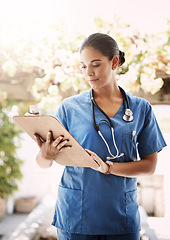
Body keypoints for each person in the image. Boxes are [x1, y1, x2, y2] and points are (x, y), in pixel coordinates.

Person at [35, 33, 167, 240]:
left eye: (95, 64)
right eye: (83, 66)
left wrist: (109, 168)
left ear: (114, 62)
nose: (89, 72)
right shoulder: (69, 108)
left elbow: (149, 166)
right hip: (75, 215)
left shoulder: (141, 108)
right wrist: (46, 154)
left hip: (121, 217)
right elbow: (43, 163)